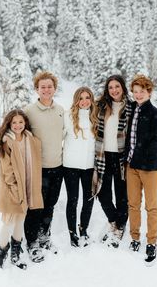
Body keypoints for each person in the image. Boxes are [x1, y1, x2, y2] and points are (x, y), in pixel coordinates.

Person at [0, 110, 43, 270]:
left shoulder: (29, 139)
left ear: (25, 123)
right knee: (8, 221)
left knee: (21, 219)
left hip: (27, 186)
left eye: (21, 122)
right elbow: (7, 171)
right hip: (12, 188)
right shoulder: (7, 141)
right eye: (14, 123)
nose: (18, 125)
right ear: (8, 124)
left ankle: (15, 253)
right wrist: (15, 190)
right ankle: (0, 255)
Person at [125, 74, 157, 265]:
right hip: (131, 166)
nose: (138, 95)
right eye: (135, 92)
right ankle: (134, 237)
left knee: (151, 206)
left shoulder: (156, 113)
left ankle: (151, 241)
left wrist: (145, 156)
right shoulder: (132, 109)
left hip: (150, 168)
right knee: (133, 204)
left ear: (149, 92)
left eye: (142, 91)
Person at [24, 71, 64, 261]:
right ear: (37, 89)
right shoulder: (29, 111)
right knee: (35, 207)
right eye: (43, 87)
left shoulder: (60, 110)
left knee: (50, 205)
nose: (46, 89)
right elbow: (16, 133)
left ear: (54, 88)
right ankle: (31, 242)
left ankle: (44, 235)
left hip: (58, 166)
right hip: (38, 168)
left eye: (49, 86)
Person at [92, 75, 132, 248]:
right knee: (102, 193)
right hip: (104, 155)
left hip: (122, 157)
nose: (114, 90)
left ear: (122, 87)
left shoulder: (131, 107)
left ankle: (119, 228)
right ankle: (114, 220)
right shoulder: (101, 107)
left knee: (122, 194)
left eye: (117, 86)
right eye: (110, 87)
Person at [63, 87, 98, 247]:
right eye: (81, 98)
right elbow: (58, 137)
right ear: (76, 100)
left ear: (91, 99)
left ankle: (83, 230)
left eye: (87, 97)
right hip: (70, 165)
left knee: (89, 200)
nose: (84, 101)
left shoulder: (96, 117)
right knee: (73, 200)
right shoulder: (68, 116)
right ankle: (72, 234)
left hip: (89, 166)